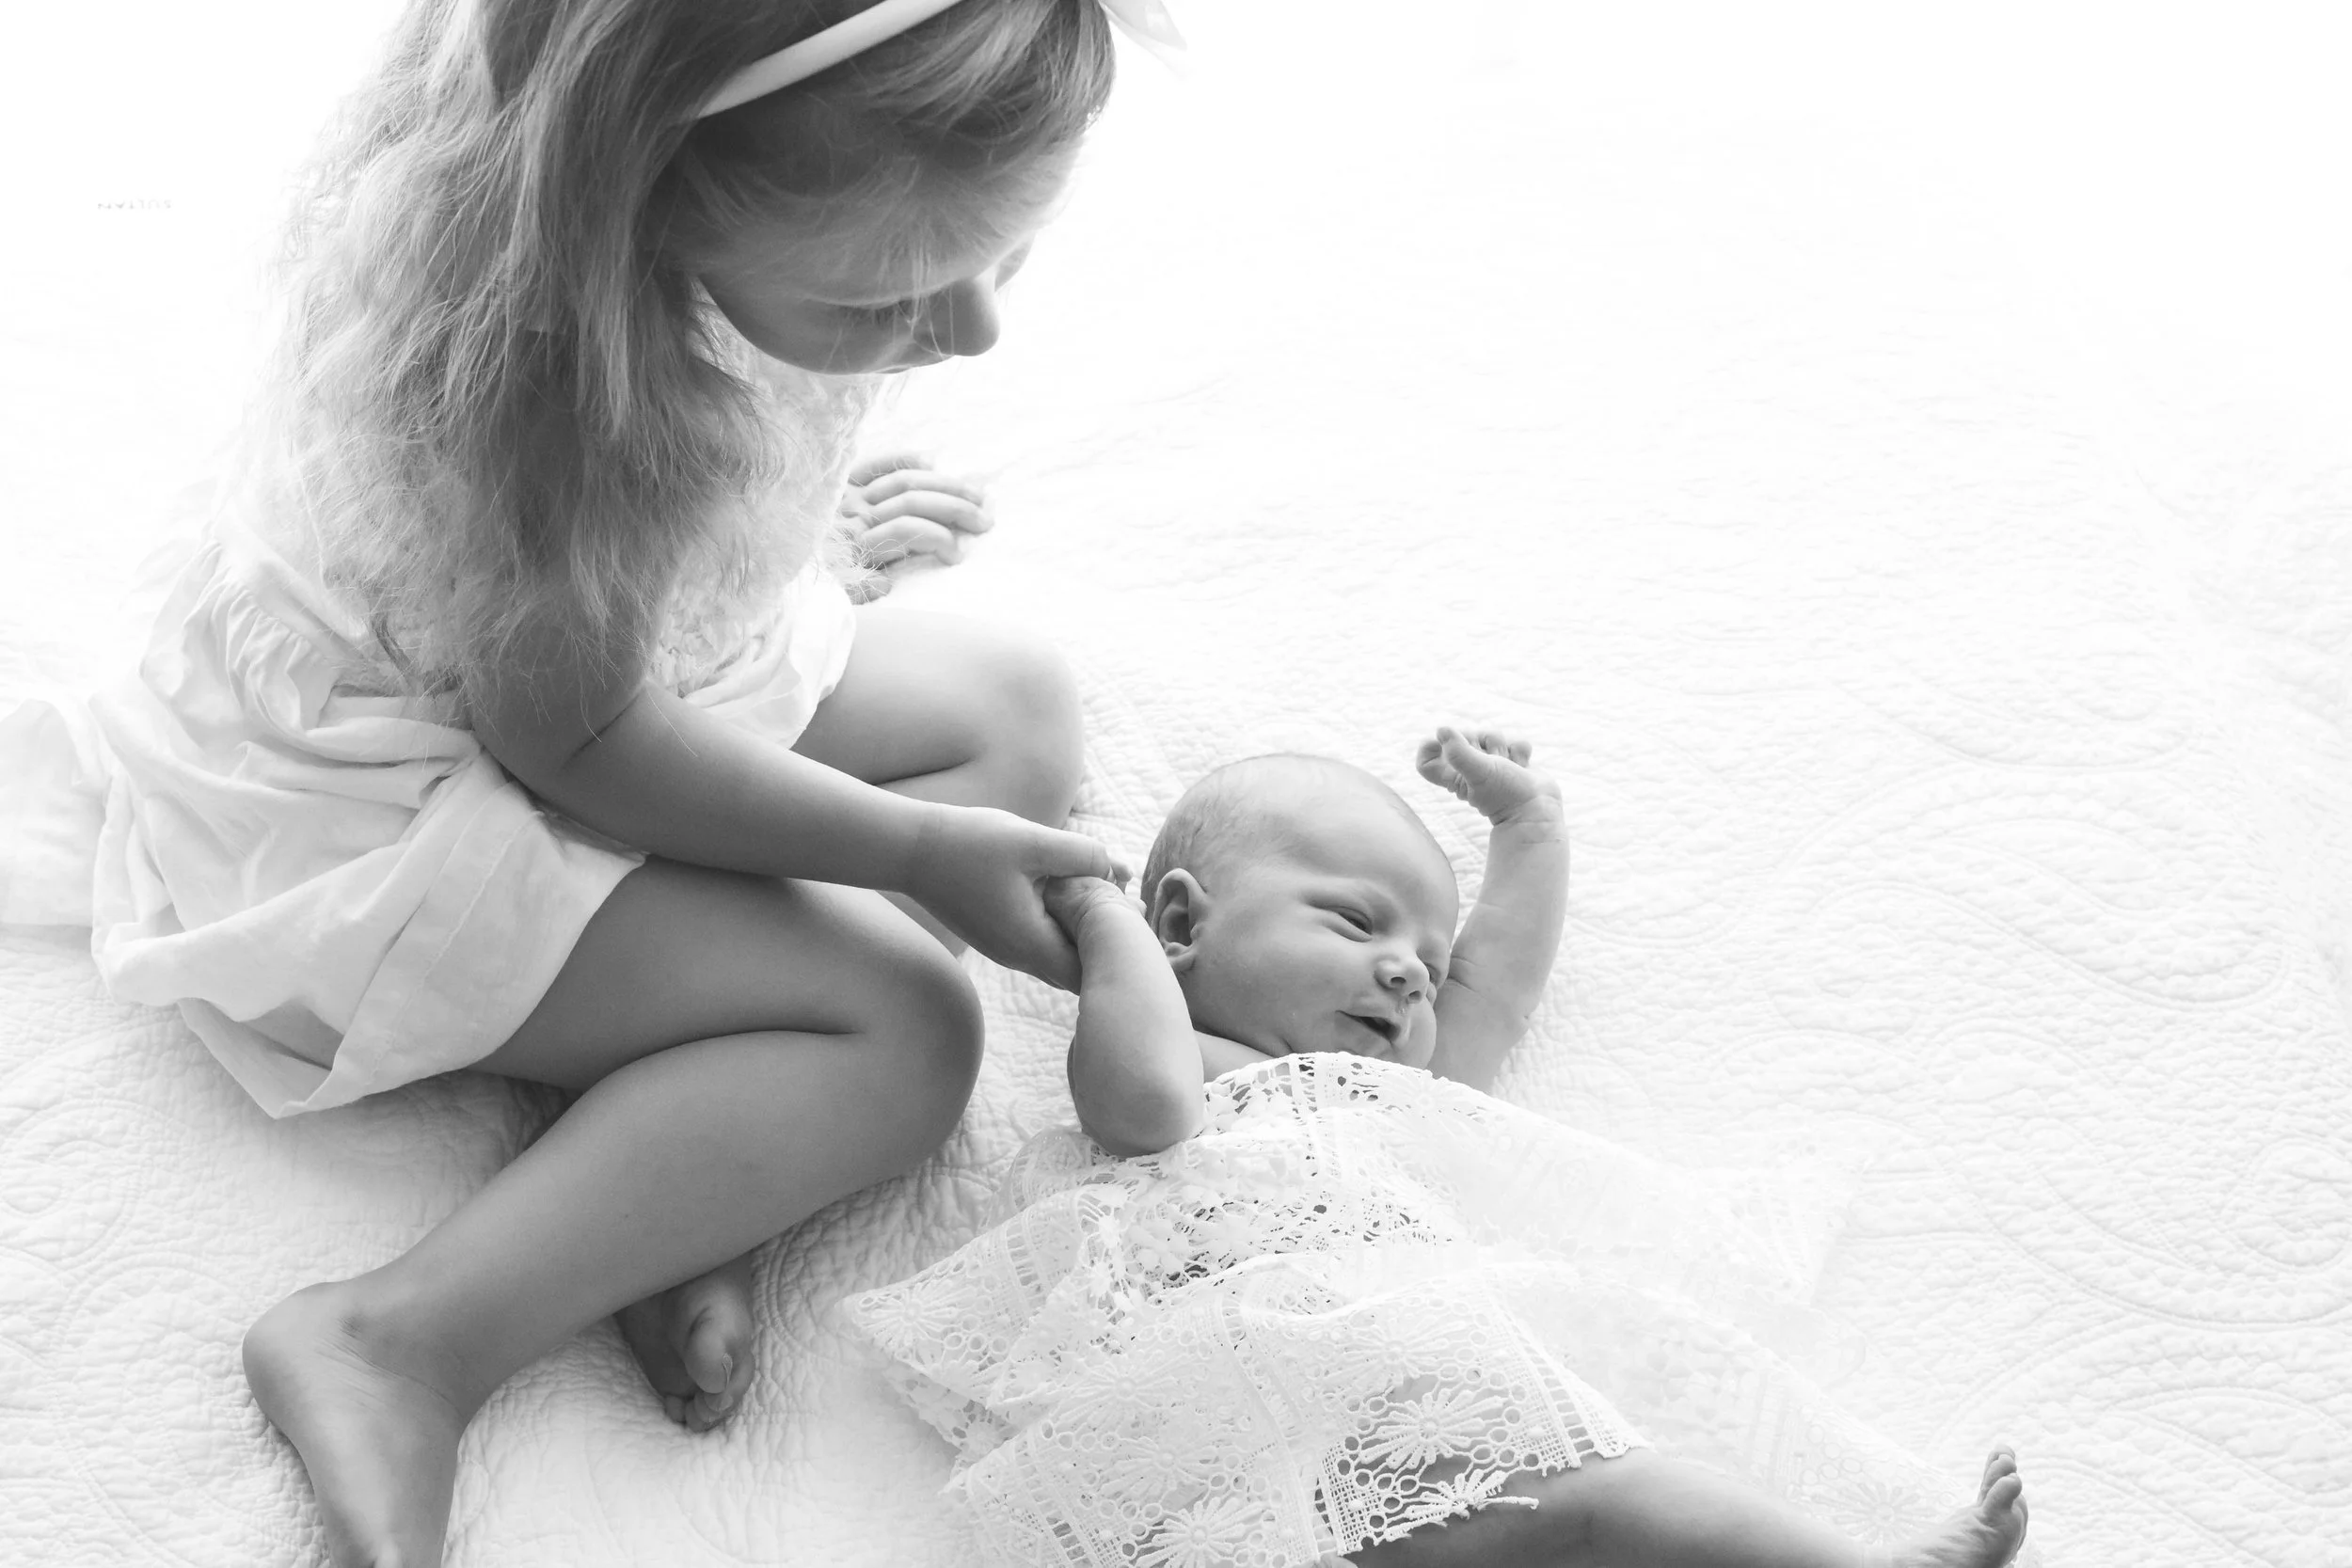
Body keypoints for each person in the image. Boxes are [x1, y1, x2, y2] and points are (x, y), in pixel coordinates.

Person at [16, 2, 1156, 1563]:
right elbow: (577, 745)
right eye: (883, 298)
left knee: (1012, 707)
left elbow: (635, 628)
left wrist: (790, 535)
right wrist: (914, 845)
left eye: (1003, 259)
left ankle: (677, 1150)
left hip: (609, 677)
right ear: (650, 212)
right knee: (910, 1028)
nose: (972, 334)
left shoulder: (667, 255)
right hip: (408, 800)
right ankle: (400, 1341)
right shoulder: (535, 396)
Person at [847, 730, 2033, 1568]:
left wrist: (1532, 830)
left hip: (1395, 1424)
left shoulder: (1385, 1090)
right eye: (1356, 920)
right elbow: (1144, 1108)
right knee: (1604, 1504)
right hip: (1219, 1429)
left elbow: (1493, 991)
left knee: (1612, 1494)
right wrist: (1102, 920)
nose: (1409, 967)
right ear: (1181, 921)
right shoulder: (1183, 1061)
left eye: (1424, 950)